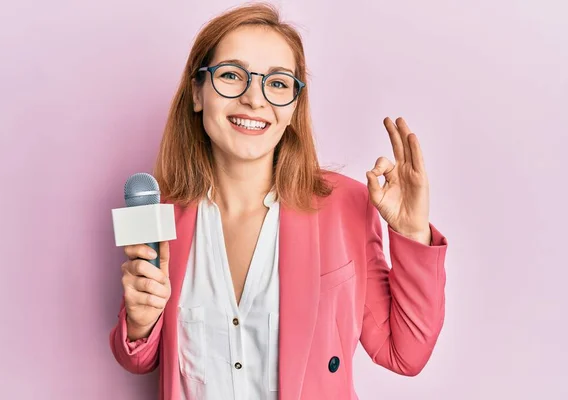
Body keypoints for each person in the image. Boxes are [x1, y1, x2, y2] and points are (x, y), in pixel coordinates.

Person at [109, 3, 448, 400]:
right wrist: (140, 323)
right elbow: (136, 357)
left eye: (278, 83)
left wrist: (410, 232)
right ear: (197, 92)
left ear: (294, 106)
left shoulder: (345, 205)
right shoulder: (160, 213)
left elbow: (405, 354)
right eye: (232, 75)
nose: (255, 99)